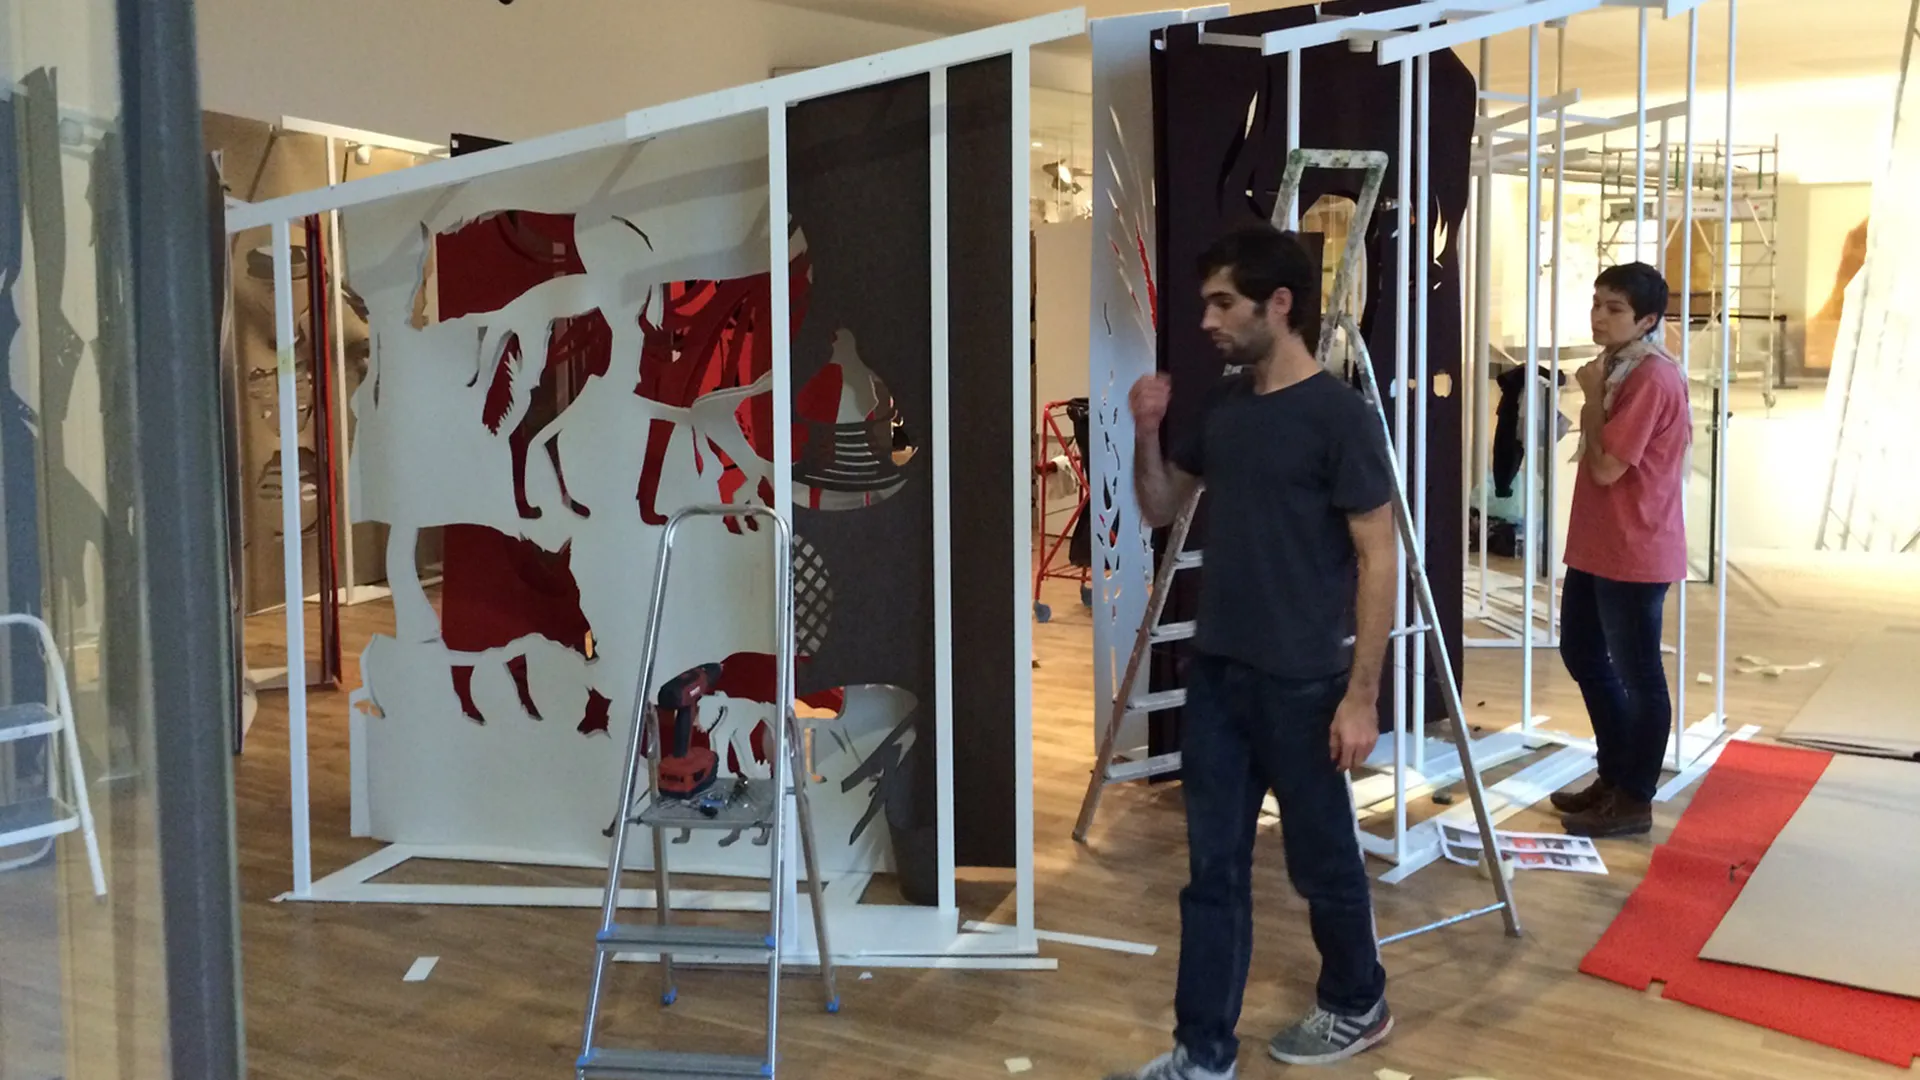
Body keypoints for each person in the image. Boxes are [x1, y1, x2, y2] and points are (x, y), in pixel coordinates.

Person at [1106, 224, 1398, 1080]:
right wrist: (1147, 432)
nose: (1206, 320)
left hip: (1304, 683)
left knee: (1323, 862)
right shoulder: (1226, 408)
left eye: (1222, 302)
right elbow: (1161, 507)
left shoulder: (1340, 417)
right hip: (1219, 676)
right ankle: (1202, 1053)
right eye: (1206, 303)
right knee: (1212, 873)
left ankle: (1358, 1001)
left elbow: (1379, 557)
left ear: (1279, 304)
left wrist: (1361, 697)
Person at [1549, 262, 1692, 839]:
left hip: (1635, 546)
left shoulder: (1649, 377)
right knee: (1583, 653)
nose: (1599, 317)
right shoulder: (1615, 367)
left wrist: (1589, 401)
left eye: (1614, 309)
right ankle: (1614, 775)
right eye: (1597, 304)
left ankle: (1634, 796)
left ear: (1647, 320)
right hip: (1600, 542)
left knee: (1639, 675)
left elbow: (1608, 467)